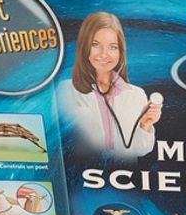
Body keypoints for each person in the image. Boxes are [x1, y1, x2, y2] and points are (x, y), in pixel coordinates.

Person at [58, 12, 161, 161]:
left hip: (123, 174)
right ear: (84, 47)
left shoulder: (136, 95)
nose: (104, 54)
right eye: (95, 45)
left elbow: (141, 149)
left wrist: (145, 125)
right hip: (85, 173)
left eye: (113, 47)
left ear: (120, 51)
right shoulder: (66, 90)